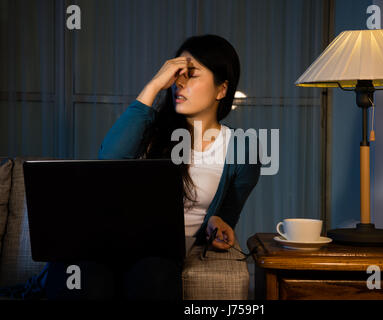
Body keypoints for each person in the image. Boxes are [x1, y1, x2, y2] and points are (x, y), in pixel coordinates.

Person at [8, 34, 260, 300]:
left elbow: (228, 214)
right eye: (176, 75)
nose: (179, 83)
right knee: (86, 279)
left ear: (222, 89)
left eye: (192, 75)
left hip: (158, 256)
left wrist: (217, 223)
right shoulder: (150, 128)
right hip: (100, 246)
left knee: (154, 276)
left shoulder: (243, 149)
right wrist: (153, 86)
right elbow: (109, 160)